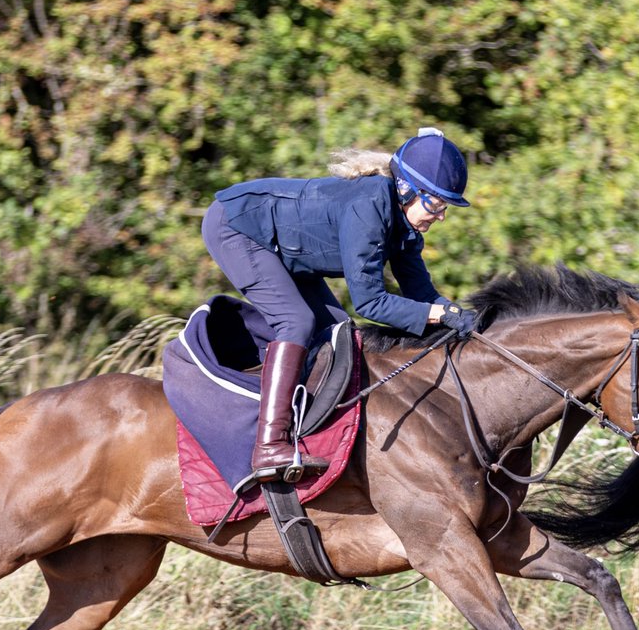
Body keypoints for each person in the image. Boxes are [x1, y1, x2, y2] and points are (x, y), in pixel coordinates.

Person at [202, 126, 478, 482]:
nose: (439, 217)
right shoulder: (371, 205)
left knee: (335, 330)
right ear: (408, 190)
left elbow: (422, 296)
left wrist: (458, 316)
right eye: (435, 205)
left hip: (286, 249)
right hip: (236, 226)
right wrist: (439, 314)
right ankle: (268, 444)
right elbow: (370, 302)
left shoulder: (407, 228)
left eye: (445, 209)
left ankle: (307, 426)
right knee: (296, 322)